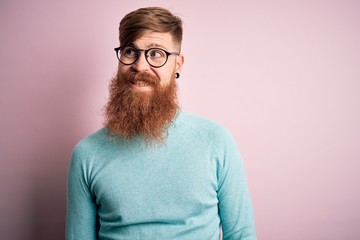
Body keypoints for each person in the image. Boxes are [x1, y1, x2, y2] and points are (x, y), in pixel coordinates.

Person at [66, 6, 256, 240]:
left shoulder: (216, 142)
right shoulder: (87, 154)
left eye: (156, 53)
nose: (140, 65)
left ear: (178, 64)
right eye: (130, 51)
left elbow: (240, 234)